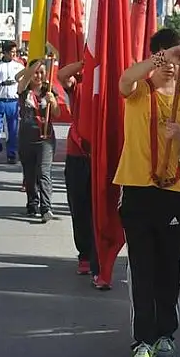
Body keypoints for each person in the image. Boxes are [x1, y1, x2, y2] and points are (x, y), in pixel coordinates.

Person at [114, 28, 180, 357]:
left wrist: (178, 134)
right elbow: (125, 78)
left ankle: (167, 334)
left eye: (178, 57)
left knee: (169, 268)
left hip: (170, 193)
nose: (171, 64)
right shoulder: (139, 91)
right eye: (165, 56)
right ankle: (142, 341)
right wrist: (160, 58)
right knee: (142, 269)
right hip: (136, 190)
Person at [58, 60, 100, 282]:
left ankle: (100, 256)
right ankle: (84, 254)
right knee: (79, 206)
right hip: (77, 154)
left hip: (103, 156)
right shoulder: (80, 84)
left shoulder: (112, 84)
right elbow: (62, 75)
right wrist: (86, 61)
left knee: (100, 209)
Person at [16, 60, 59, 222]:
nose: (38, 75)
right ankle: (32, 203)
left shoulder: (49, 90)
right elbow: (22, 79)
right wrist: (38, 59)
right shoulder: (23, 89)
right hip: (26, 137)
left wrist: (52, 101)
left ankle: (46, 207)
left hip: (45, 139)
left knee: (43, 172)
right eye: (36, 72)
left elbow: (57, 113)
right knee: (30, 174)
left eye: (42, 72)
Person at [0, 42, 23, 164]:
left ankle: (11, 153)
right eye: (12, 52)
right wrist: (3, 83)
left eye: (15, 52)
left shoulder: (19, 67)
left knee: (13, 129)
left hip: (13, 101)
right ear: (6, 52)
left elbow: (24, 83)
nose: (14, 54)